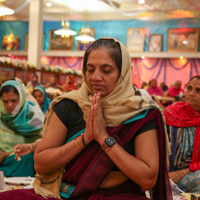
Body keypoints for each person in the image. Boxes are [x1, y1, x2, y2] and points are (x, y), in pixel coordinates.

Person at [0, 38, 172, 199]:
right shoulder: (70, 104)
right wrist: (85, 139)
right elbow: (41, 165)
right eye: (90, 70)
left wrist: (104, 138)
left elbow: (148, 179)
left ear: (123, 73)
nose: (95, 77)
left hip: (119, 195)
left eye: (106, 70)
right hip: (67, 193)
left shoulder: (139, 113)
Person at [0, 80, 45, 177]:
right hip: (3, 161)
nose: (9, 105)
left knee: (31, 157)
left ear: (21, 98)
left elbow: (47, 142)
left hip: (24, 160)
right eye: (5, 101)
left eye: (13, 100)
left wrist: (8, 154)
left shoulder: (35, 117)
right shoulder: (1, 115)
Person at [164, 76, 200, 194]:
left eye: (198, 90)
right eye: (189, 88)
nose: (192, 93)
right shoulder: (172, 112)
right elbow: (158, 143)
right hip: (167, 170)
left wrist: (183, 173)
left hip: (192, 174)